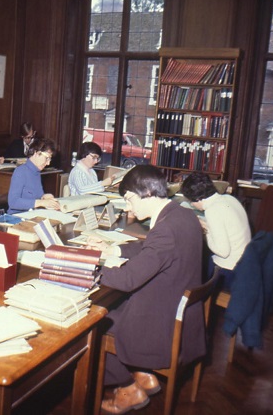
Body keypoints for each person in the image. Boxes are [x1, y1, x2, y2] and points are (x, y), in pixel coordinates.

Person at [85, 165, 205, 414]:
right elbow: (151, 250)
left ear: (148, 192)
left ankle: (129, 388)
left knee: (93, 323)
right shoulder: (182, 214)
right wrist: (113, 250)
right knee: (114, 306)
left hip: (161, 323)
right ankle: (143, 375)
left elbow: (128, 280)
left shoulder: (165, 230)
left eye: (129, 200)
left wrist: (85, 270)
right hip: (178, 312)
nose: (127, 208)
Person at [181, 172, 251, 287]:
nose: (192, 205)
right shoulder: (229, 199)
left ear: (198, 198)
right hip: (245, 263)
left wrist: (206, 229)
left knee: (196, 266)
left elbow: (222, 252)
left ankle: (198, 299)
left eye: (191, 201)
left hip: (230, 270)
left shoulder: (212, 210)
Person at [7, 138, 61, 214]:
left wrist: (44, 197)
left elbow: (34, 195)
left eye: (50, 159)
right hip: (17, 217)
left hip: (31, 215)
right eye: (47, 158)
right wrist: (41, 203)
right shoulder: (20, 171)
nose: (48, 163)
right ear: (37, 153)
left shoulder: (36, 172)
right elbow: (13, 202)